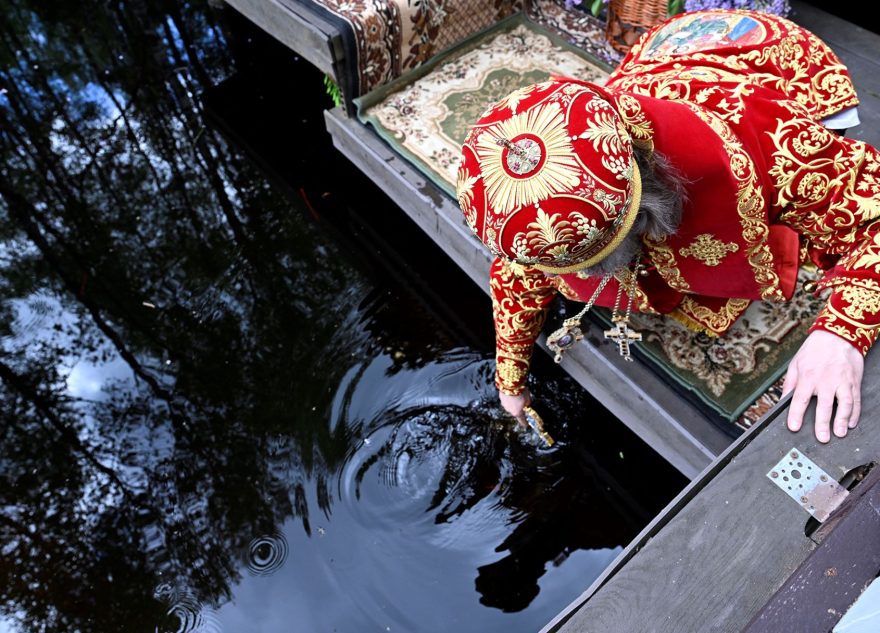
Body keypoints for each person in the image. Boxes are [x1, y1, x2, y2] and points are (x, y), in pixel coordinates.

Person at [455, 8, 878, 444]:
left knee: (815, 214)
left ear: (645, 210)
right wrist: (510, 380)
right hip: (651, 67)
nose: (579, 278)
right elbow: (519, 275)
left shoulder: (776, 146)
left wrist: (839, 335)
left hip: (771, 63)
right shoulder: (534, 218)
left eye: (592, 262)